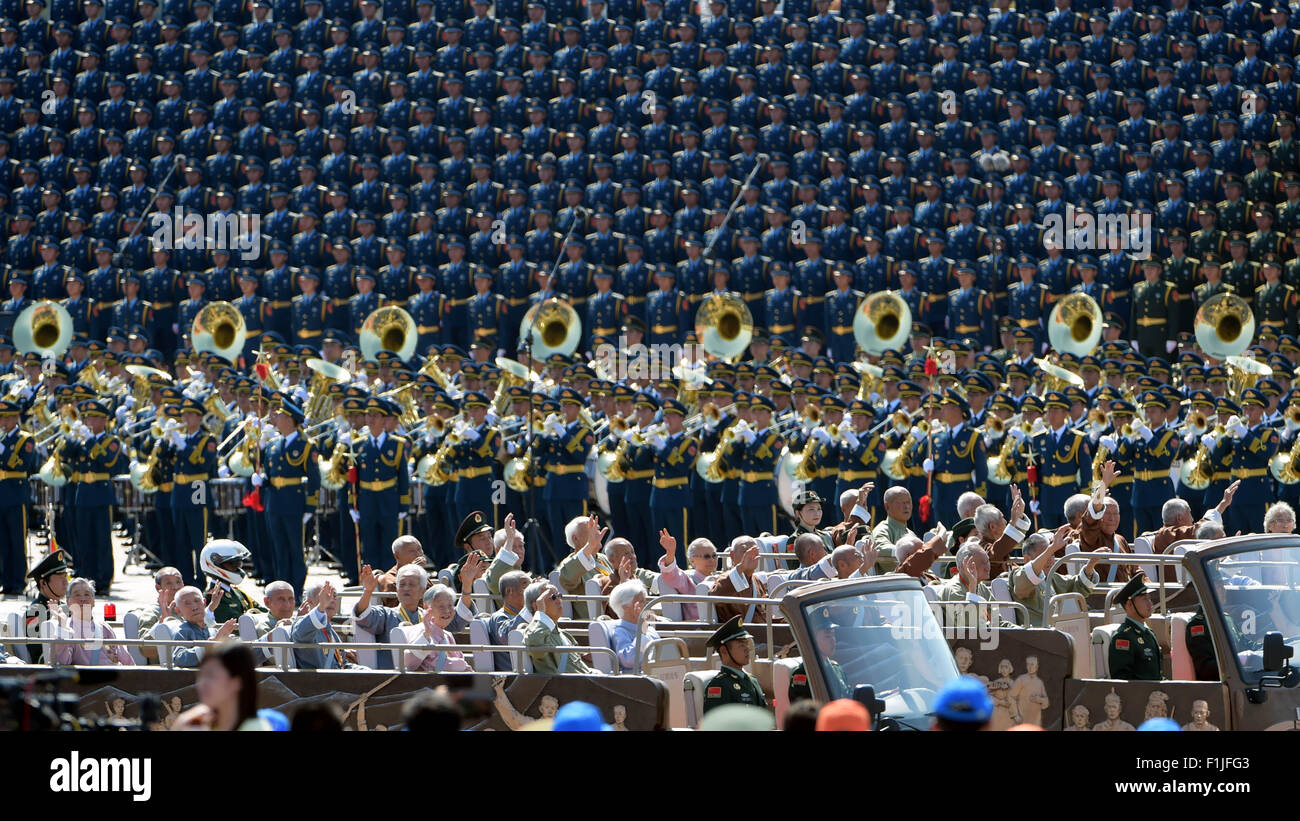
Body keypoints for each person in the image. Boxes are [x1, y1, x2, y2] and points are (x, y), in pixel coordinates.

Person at [171, 642, 271, 730]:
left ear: (237, 682)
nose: (202, 683)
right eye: (201, 675)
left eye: (211, 675)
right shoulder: (190, 724)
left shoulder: (256, 728)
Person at [52, 578, 135, 666]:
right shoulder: (67, 629)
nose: (83, 599)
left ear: (93, 601)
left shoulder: (104, 627)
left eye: (87, 594)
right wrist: (62, 627)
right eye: (77, 595)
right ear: (68, 602)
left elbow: (125, 659)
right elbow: (62, 661)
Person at [522, 580, 594, 674]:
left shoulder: (563, 634)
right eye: (553, 597)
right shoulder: (533, 632)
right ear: (537, 606)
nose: (559, 600)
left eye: (559, 596)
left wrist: (585, 656)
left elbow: (577, 664)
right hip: (567, 686)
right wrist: (541, 613)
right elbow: (535, 644)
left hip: (586, 681)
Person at [701, 615, 768, 714]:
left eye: (746, 644)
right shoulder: (719, 685)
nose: (747, 649)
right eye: (741, 645)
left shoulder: (752, 681)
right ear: (724, 651)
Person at [290, 579, 363, 669]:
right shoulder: (303, 624)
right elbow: (300, 634)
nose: (331, 600)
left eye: (334, 596)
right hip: (319, 680)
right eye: (326, 596)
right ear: (309, 602)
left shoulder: (330, 630)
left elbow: (342, 665)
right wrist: (321, 607)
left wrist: (366, 672)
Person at [397, 584, 472, 672]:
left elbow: (463, 663)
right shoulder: (420, 630)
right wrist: (426, 635)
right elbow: (409, 664)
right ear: (426, 607)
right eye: (441, 606)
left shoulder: (448, 635)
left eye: (450, 605)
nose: (447, 611)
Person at [787, 605, 851, 702]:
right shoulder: (803, 673)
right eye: (827, 636)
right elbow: (803, 712)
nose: (833, 640)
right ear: (812, 639)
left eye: (833, 635)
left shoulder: (837, 668)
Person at [1109, 571, 1163, 681]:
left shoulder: (1147, 632)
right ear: (1130, 605)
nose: (1150, 604)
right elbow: (1123, 684)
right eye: (1144, 599)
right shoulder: (1123, 637)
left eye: (1149, 598)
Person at [171, 585, 238, 668]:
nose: (194, 607)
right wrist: (211, 643)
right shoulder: (182, 631)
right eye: (187, 604)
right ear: (178, 611)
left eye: (197, 601)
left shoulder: (213, 631)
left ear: (204, 603)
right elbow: (179, 659)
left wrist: (229, 640)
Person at [708, 536, 770, 623]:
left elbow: (766, 616)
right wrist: (741, 567)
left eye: (755, 551)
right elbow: (715, 597)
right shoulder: (726, 578)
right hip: (742, 634)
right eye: (745, 552)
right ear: (732, 555)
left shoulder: (756, 580)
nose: (751, 556)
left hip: (764, 632)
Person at [24, 550, 71, 664]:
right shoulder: (35, 612)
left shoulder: (66, 608)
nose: (66, 582)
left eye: (66, 576)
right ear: (43, 583)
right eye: (60, 577)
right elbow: (38, 655)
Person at [609, 578, 661, 673]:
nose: (645, 605)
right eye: (641, 602)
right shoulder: (620, 631)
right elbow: (629, 660)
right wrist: (642, 631)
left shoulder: (648, 628)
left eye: (645, 601)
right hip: (638, 680)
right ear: (625, 607)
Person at [488, 569, 531, 671]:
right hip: (516, 676)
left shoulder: (531, 614)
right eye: (525, 585)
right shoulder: (499, 617)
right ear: (509, 591)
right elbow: (508, 637)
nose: (530, 590)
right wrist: (531, 606)